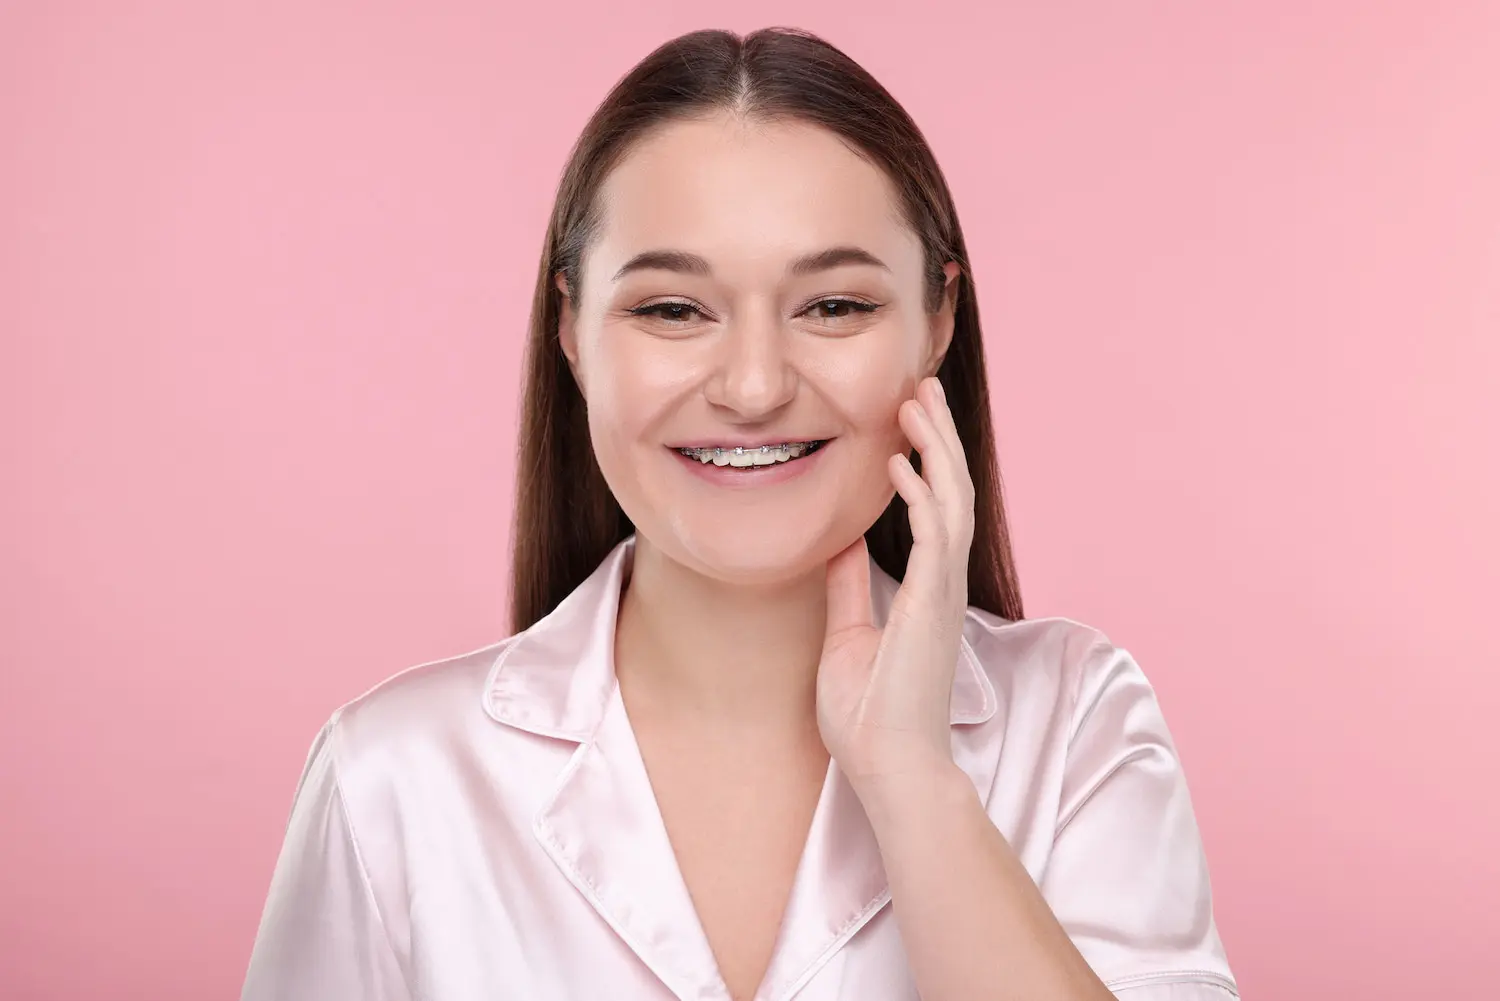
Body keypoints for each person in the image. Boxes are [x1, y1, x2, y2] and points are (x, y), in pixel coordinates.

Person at [241, 26, 1238, 1001]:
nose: (755, 387)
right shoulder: (392, 777)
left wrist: (913, 780)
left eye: (834, 306)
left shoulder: (1074, 726)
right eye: (672, 309)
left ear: (937, 320)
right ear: (572, 329)